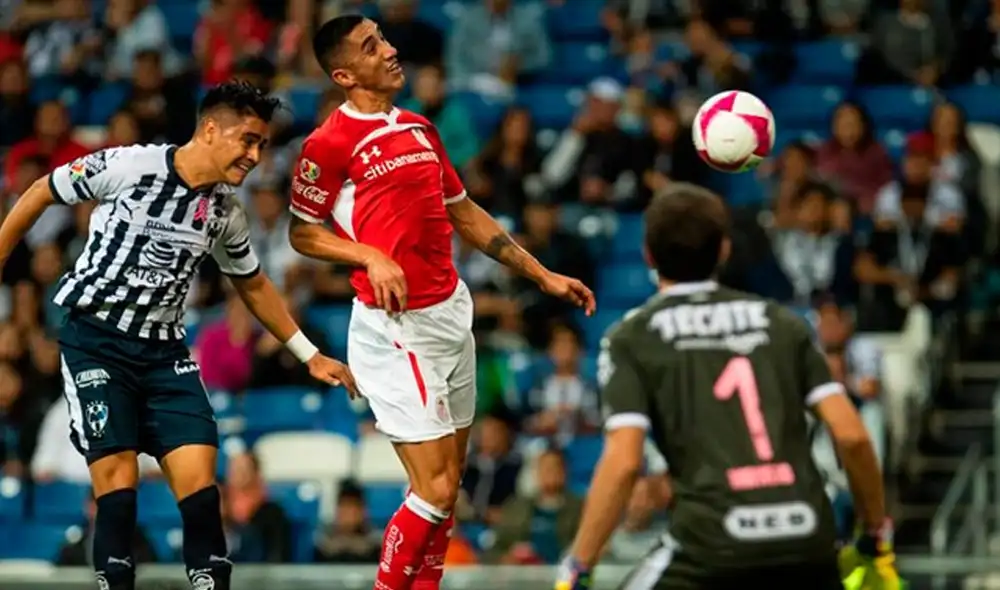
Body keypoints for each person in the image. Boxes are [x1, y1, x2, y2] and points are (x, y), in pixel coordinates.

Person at [0, 81, 356, 590]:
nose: (255, 156)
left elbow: (252, 283)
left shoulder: (225, 211)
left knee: (201, 483)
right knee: (118, 482)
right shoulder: (129, 165)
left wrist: (308, 354)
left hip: (164, 351)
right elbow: (42, 189)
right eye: (247, 140)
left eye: (261, 144)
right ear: (210, 129)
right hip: (96, 339)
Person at [288, 15, 596, 590]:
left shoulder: (419, 128)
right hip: (394, 329)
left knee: (447, 488)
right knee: (433, 490)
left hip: (451, 313)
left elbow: (465, 212)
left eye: (383, 38)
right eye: (371, 47)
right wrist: (369, 256)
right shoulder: (328, 144)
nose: (390, 50)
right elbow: (302, 232)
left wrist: (541, 274)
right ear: (344, 75)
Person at [554, 183, 897, 590]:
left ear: (648, 255)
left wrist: (579, 566)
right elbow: (852, 436)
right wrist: (874, 537)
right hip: (806, 535)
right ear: (724, 250)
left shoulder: (632, 337)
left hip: (712, 541)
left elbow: (625, 462)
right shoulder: (782, 323)